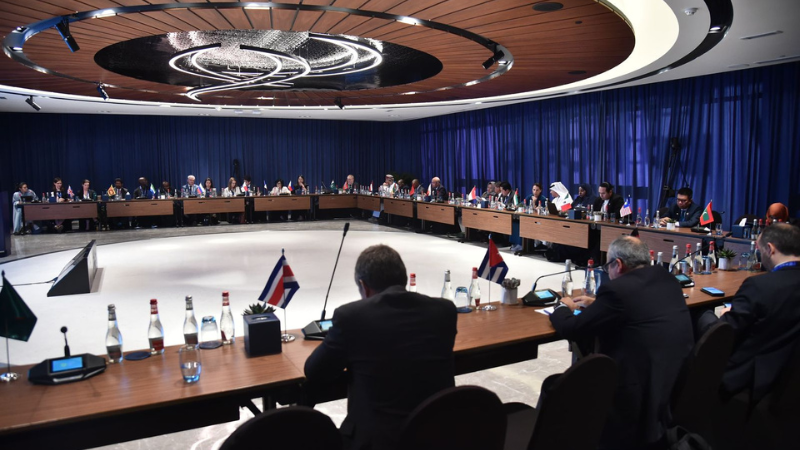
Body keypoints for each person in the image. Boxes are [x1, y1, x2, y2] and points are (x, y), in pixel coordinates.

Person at [304, 244, 457, 450]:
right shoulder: (445, 311)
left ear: (364, 286)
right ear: (403, 279)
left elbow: (315, 372)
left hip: (377, 442)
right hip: (436, 436)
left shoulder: (351, 317)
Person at [550, 236, 693, 449]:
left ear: (618, 264)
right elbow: (639, 305)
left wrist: (562, 307)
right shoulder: (666, 278)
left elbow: (573, 329)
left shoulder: (617, 291)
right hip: (671, 380)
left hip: (631, 392)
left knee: (556, 385)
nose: (608, 271)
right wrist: (599, 304)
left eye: (608, 265)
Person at [696, 223, 800, 402]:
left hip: (751, 380)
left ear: (770, 249)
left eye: (759, 249)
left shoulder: (760, 286)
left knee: (700, 315)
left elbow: (726, 333)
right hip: (789, 379)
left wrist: (727, 314)